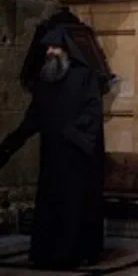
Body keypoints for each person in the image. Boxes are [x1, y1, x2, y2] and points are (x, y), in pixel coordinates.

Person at [0, 26, 104, 269]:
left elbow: (92, 112)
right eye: (48, 48)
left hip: (76, 156)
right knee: (51, 206)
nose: (50, 52)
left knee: (74, 206)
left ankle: (74, 252)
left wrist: (72, 131)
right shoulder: (44, 81)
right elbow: (32, 119)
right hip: (52, 156)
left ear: (66, 50)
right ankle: (48, 253)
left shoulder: (84, 77)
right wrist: (8, 147)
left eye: (55, 47)